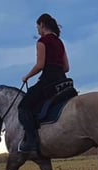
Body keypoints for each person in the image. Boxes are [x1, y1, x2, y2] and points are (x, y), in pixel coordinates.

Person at [18, 13, 70, 153]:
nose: (37, 30)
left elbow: (40, 65)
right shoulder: (60, 42)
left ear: (42, 25)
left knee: (23, 106)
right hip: (63, 81)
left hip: (48, 81)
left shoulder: (42, 41)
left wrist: (27, 77)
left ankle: (32, 142)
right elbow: (66, 67)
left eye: (37, 27)